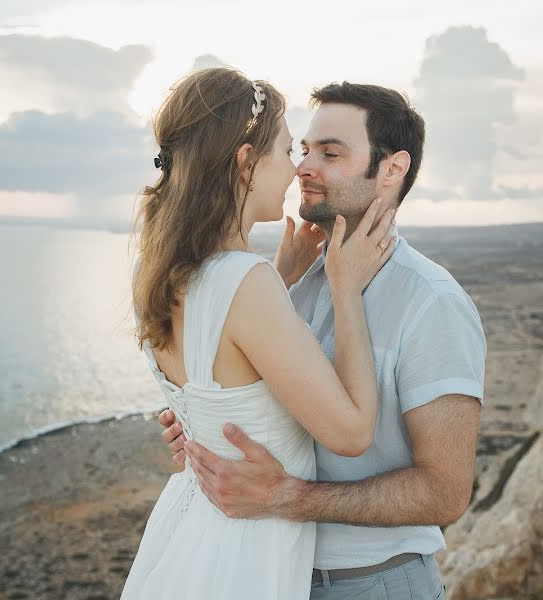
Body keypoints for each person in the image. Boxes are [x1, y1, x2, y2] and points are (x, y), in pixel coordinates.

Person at [160, 82, 488, 599]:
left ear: (392, 169)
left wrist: (290, 498)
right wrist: (204, 422)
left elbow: (444, 493)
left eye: (330, 153)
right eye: (304, 149)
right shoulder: (290, 282)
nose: (303, 167)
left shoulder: (431, 302)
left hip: (368, 584)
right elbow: (270, 411)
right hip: (267, 574)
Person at [122, 68, 399, 599]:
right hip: (245, 555)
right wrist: (346, 289)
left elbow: (221, 358)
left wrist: (281, 276)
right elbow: (351, 432)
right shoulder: (245, 284)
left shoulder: (161, 269)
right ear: (246, 162)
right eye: (286, 149)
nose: (297, 168)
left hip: (190, 532)